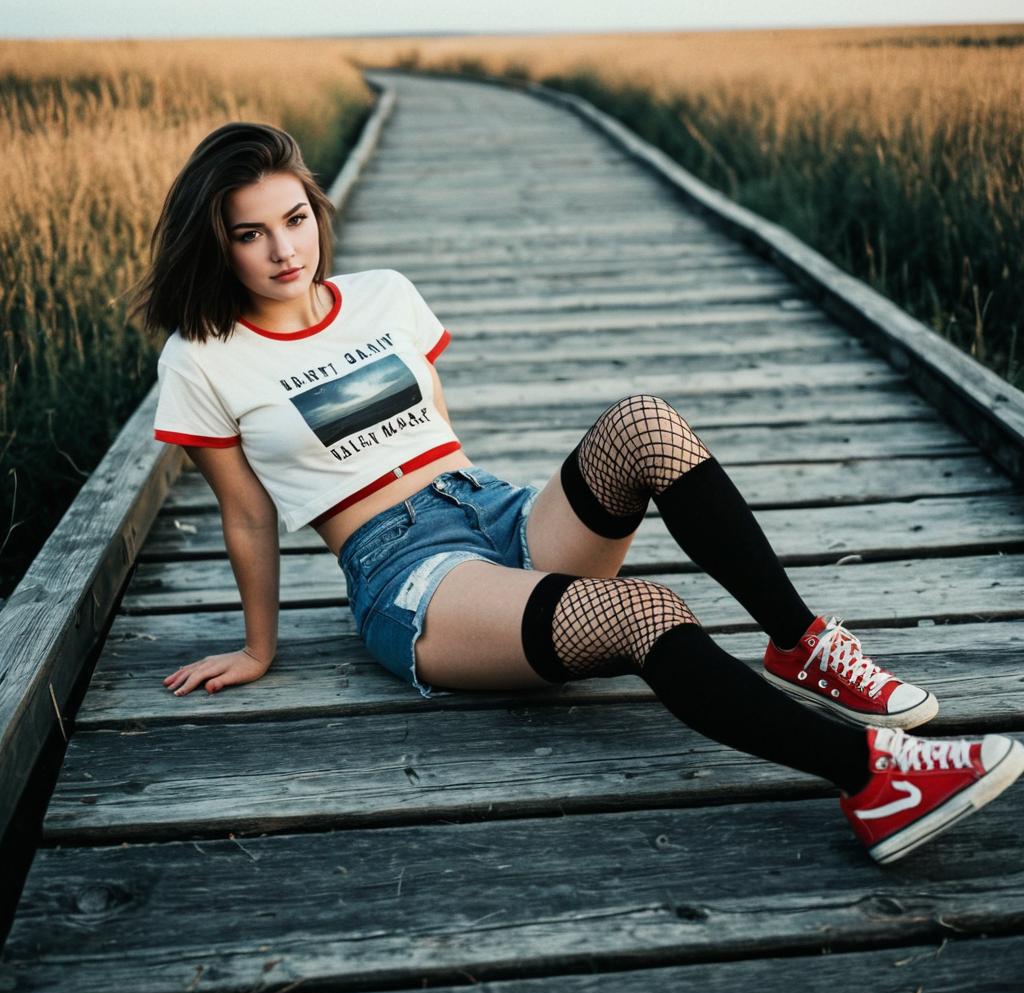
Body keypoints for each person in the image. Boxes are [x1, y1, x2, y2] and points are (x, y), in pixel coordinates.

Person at [135, 121, 1022, 865]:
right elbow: (246, 513)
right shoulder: (203, 357)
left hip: (494, 510)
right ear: (217, 242)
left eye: (295, 218)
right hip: (407, 571)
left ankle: (798, 640)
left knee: (644, 420)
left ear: (315, 211)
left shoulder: (382, 296)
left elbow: (437, 427)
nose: (284, 248)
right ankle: (872, 777)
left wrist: (506, 529)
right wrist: (258, 650)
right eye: (250, 233)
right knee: (640, 611)